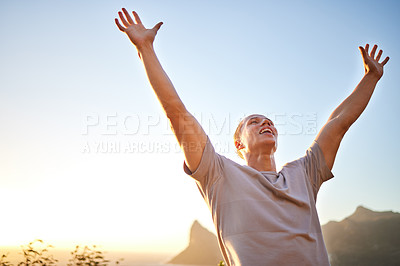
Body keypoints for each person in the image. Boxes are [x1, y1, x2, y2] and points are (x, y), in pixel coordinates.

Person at [115, 8, 389, 266]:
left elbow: (337, 125)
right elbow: (177, 114)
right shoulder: (218, 174)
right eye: (253, 121)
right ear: (238, 144)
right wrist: (145, 49)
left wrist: (371, 78)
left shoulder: (303, 174)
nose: (265, 122)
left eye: (268, 121)